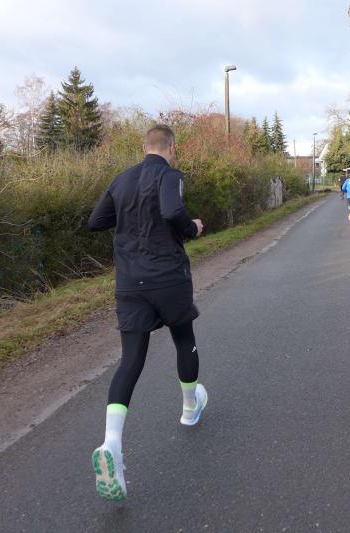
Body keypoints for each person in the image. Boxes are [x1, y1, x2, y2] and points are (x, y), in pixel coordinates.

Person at [87, 124, 208, 502]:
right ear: (171, 147)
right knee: (184, 339)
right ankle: (189, 408)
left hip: (130, 283)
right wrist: (192, 228)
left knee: (130, 360)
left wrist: (130, 218)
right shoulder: (170, 175)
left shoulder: (121, 180)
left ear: (144, 147)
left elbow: (96, 221)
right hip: (168, 277)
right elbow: (172, 210)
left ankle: (111, 442)